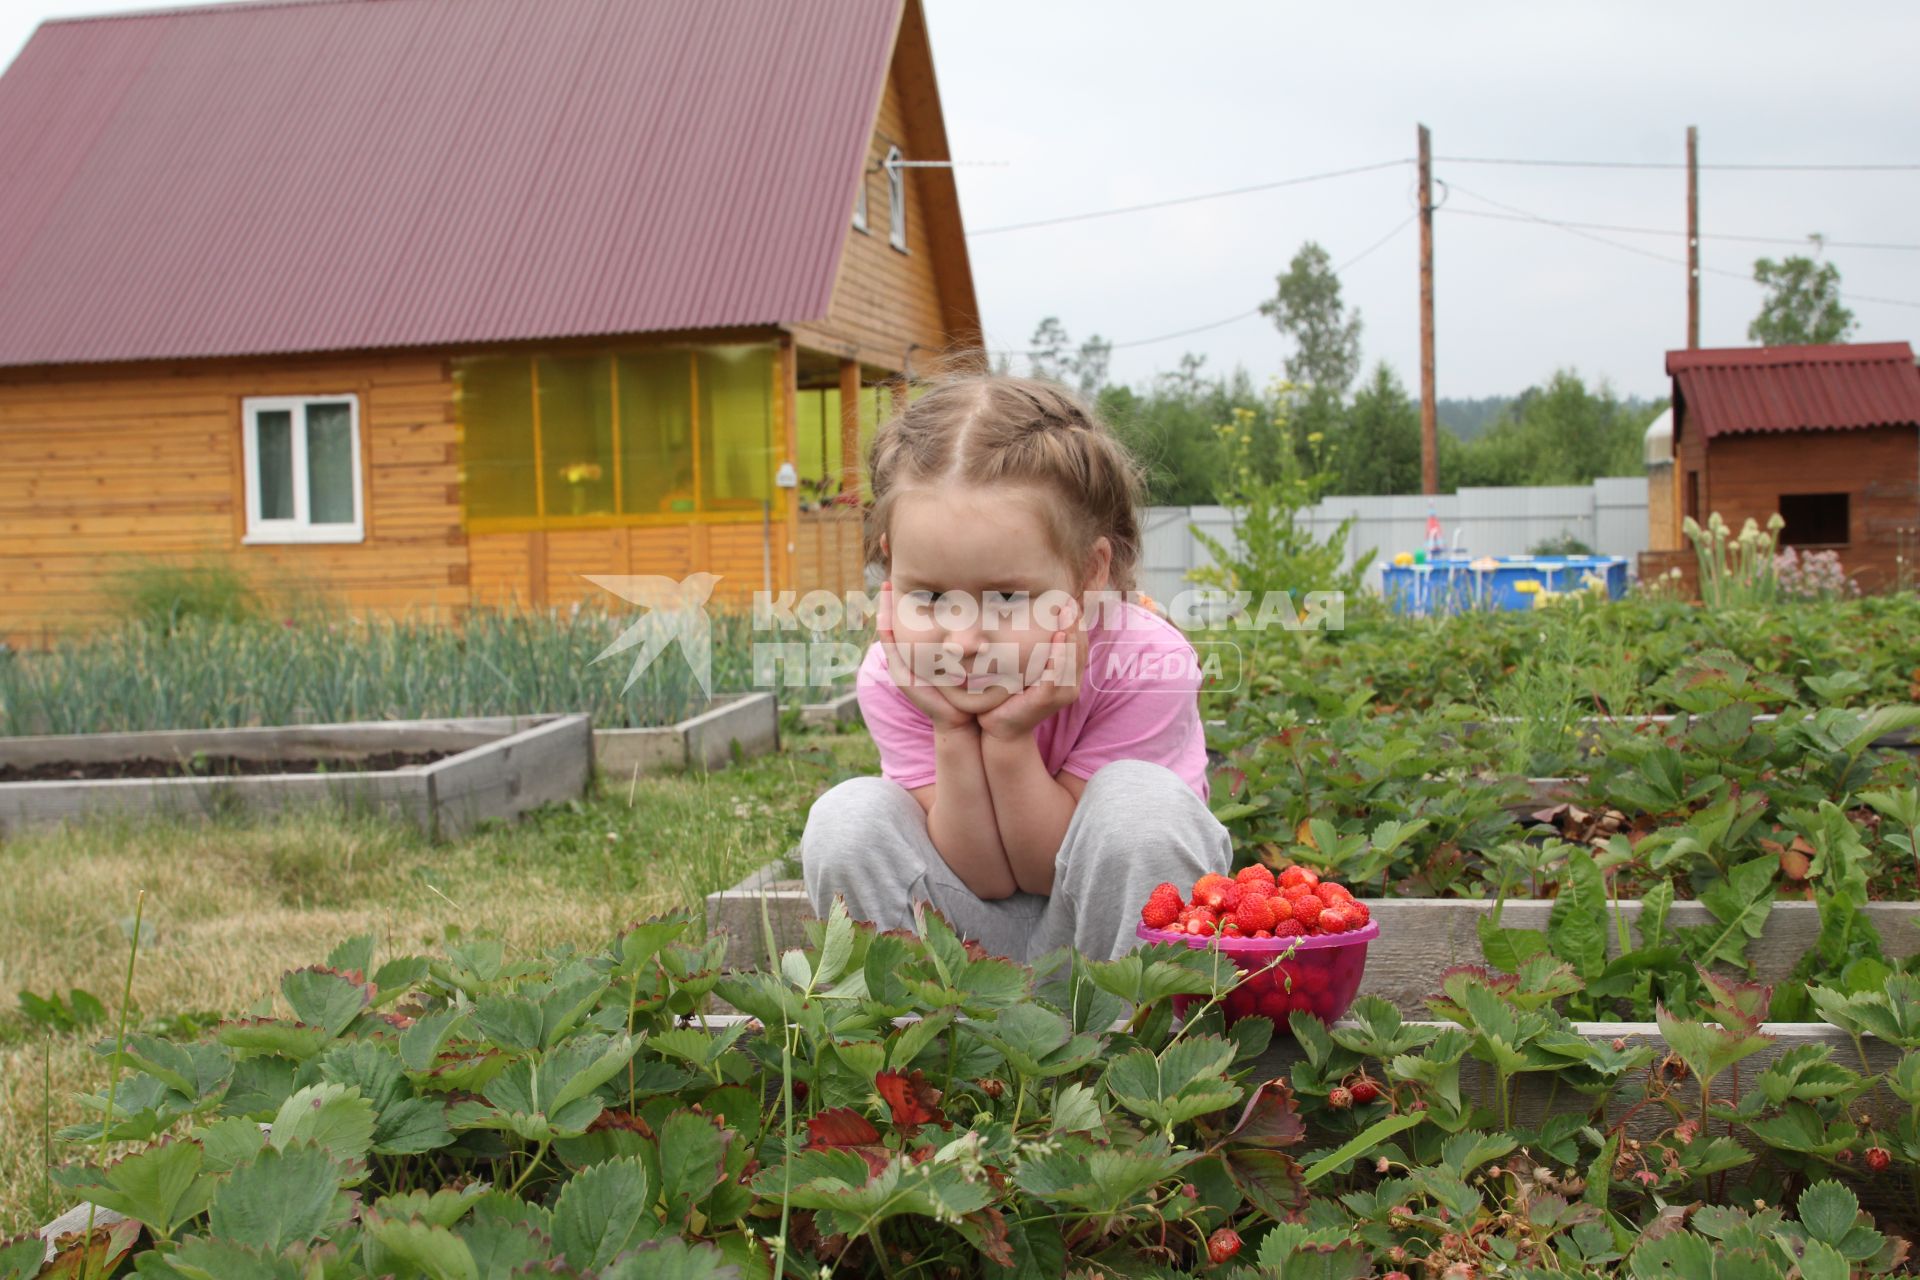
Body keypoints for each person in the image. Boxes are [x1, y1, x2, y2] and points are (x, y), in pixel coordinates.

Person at [801, 375, 1230, 963]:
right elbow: (985, 879)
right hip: (961, 954)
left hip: (1107, 948)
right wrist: (953, 731)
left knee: (1141, 804)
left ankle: (1142, 1043)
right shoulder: (897, 674)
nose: (964, 639)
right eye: (927, 596)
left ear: (1088, 572)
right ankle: (916, 1036)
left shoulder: (1144, 663)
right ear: (890, 565)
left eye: (1006, 598)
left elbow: (1047, 871)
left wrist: (1008, 735)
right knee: (848, 818)